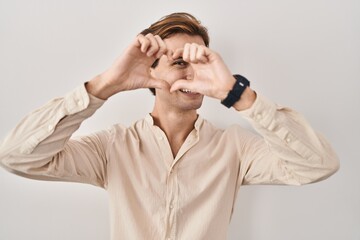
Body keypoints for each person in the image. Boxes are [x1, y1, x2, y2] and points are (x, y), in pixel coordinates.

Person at [0, 12, 339, 240]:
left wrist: (236, 94)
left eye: (200, 63)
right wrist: (105, 85)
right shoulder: (113, 146)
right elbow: (18, 157)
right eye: (179, 63)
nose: (193, 74)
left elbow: (317, 165)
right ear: (150, 72)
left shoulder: (235, 147)